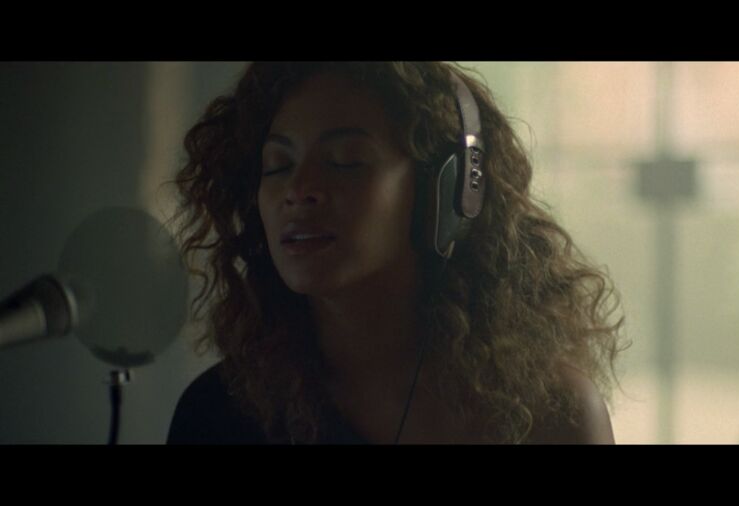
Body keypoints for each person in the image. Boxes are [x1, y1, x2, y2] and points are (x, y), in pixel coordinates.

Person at [166, 62, 627, 444]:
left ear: (446, 193)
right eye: (278, 165)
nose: (299, 189)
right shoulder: (216, 414)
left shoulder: (549, 413)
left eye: (346, 161)